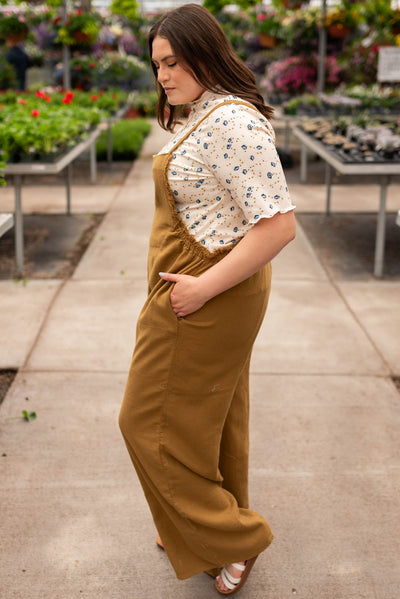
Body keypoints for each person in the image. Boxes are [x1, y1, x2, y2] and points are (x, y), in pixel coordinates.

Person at [119, 4, 296, 595]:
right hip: (202, 285)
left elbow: (278, 226)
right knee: (212, 421)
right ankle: (200, 527)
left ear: (203, 53)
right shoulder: (204, 114)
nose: (163, 75)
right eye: (157, 65)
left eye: (171, 62)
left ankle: (231, 536)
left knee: (146, 422)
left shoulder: (231, 123)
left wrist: (200, 287)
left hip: (208, 292)